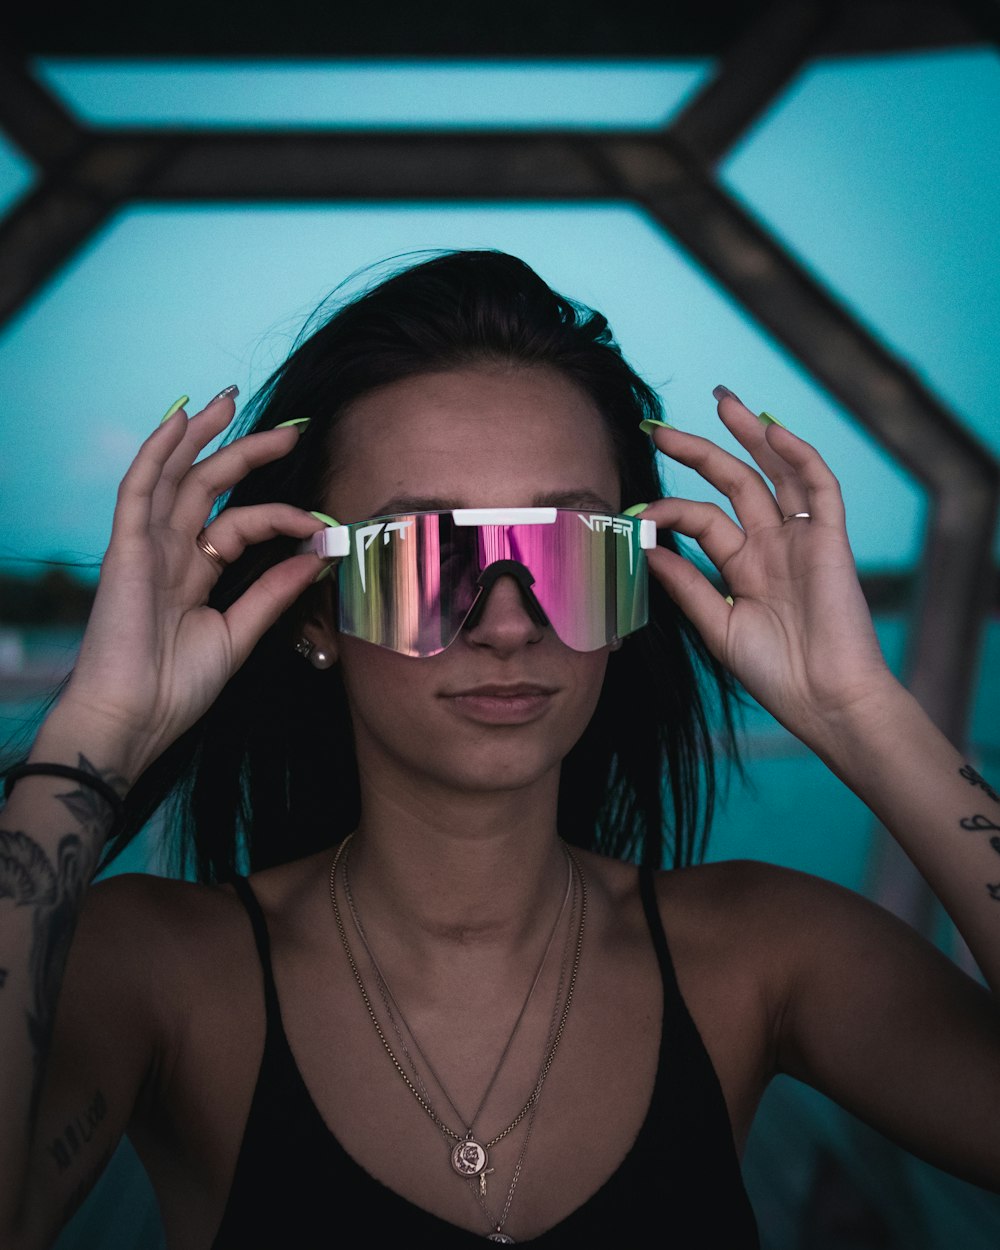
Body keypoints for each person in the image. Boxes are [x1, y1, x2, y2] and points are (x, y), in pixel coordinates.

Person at [1, 250, 998, 1249]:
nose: (507, 623)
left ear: (631, 589)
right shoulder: (157, 969)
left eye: (569, 554)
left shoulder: (762, 953)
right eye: (423, 559)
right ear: (313, 608)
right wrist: (102, 727)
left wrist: (863, 709)